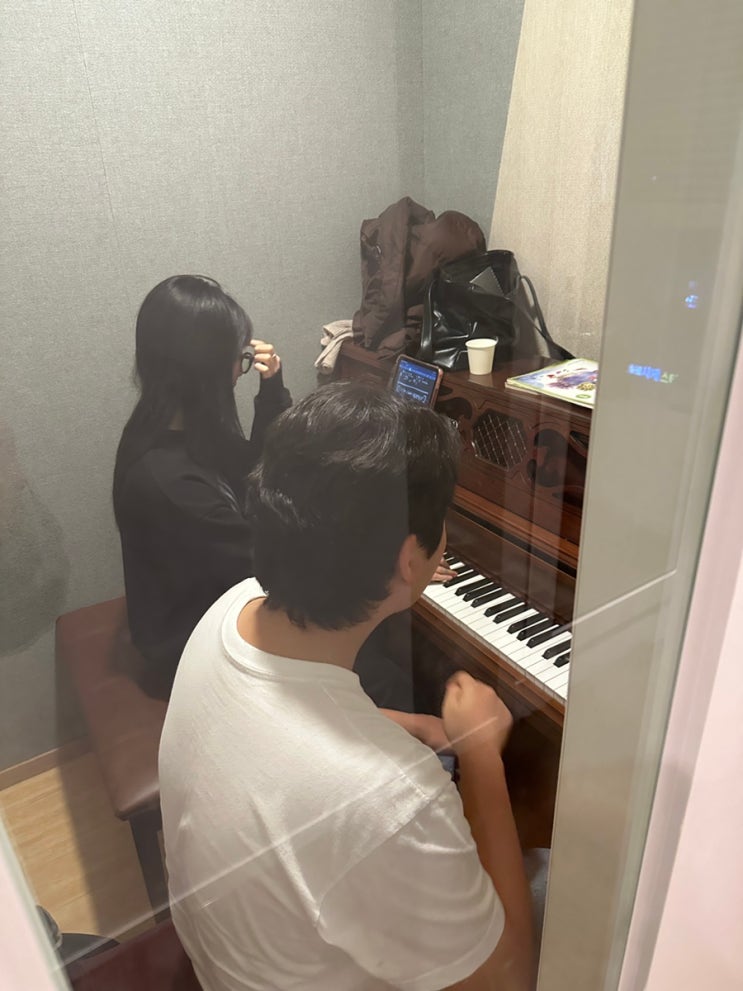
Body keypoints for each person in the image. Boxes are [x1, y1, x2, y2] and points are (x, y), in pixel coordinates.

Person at [159, 382, 534, 991]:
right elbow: (510, 979)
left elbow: (277, 732)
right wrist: (481, 755)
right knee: (554, 879)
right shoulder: (390, 801)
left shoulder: (233, 609)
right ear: (409, 560)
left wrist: (409, 724)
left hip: (227, 958)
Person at [113, 275, 291, 698]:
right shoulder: (170, 483)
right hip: (187, 646)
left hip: (204, 599)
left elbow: (252, 471)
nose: (238, 373)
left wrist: (272, 389)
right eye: (236, 360)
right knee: (368, 658)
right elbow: (267, 565)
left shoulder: (176, 427)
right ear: (202, 371)